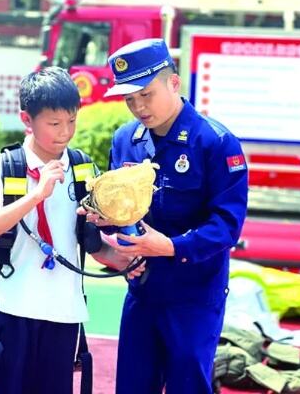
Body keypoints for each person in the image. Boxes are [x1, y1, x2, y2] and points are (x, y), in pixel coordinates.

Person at [88, 38, 249, 394]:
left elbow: (227, 225)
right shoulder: (125, 139)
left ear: (173, 83)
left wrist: (171, 246)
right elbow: (122, 213)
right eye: (130, 100)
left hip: (194, 295)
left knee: (187, 386)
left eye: (146, 94)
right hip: (142, 289)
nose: (139, 107)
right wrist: (104, 221)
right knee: (132, 386)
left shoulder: (216, 142)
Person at [0, 66, 102, 393]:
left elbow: (95, 239)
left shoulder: (84, 168)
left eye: (72, 121)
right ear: (26, 120)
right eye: (55, 123)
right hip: (13, 306)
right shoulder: (8, 166)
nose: (65, 132)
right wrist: (37, 193)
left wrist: (128, 258)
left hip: (63, 309)